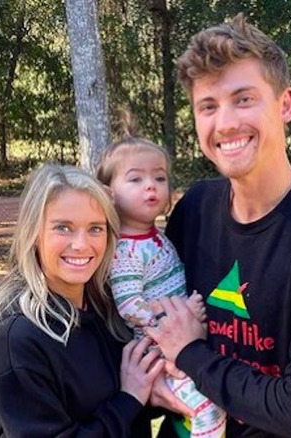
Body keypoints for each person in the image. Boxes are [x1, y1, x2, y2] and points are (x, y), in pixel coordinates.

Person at [145, 14, 291, 438]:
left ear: (285, 103)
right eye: (208, 107)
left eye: (244, 99)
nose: (226, 123)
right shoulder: (195, 209)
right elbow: (148, 329)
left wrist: (191, 353)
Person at [0, 164, 164, 438]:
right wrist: (130, 398)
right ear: (34, 234)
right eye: (63, 228)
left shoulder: (109, 311)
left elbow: (131, 407)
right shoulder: (19, 343)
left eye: (95, 229)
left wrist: (155, 393)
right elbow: (126, 403)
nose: (82, 244)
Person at [96, 117, 227, 438]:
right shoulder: (125, 251)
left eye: (159, 177)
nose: (151, 185)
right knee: (208, 408)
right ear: (109, 193)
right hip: (160, 352)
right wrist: (174, 318)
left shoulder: (156, 237)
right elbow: (129, 306)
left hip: (181, 342)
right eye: (136, 179)